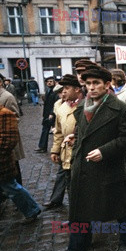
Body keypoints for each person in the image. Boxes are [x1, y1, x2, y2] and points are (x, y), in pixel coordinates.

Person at [52, 67, 126, 251]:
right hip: (83, 167)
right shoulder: (82, 107)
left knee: (120, 209)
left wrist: (104, 151)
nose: (91, 87)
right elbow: (83, 131)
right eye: (88, 84)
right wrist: (74, 137)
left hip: (108, 168)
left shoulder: (121, 109)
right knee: (80, 211)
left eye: (96, 83)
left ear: (107, 85)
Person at [43, 75, 83, 209]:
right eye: (62, 89)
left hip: (81, 152)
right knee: (69, 183)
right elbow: (58, 132)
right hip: (66, 152)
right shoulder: (61, 107)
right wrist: (55, 150)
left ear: (77, 89)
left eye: (67, 88)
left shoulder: (85, 105)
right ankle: (75, 216)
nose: (63, 92)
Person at [0, 104, 41, 223]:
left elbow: (9, 141)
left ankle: (32, 210)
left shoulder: (5, 113)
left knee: (11, 188)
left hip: (2, 163)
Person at [0, 73, 25, 186]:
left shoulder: (7, 97)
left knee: (13, 168)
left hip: (8, 138)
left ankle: (21, 196)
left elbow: (15, 117)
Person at [34, 76, 58, 153]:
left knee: (57, 131)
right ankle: (42, 147)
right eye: (48, 82)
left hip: (53, 114)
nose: (49, 83)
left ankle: (57, 148)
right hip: (47, 114)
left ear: (54, 82)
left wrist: (52, 113)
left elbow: (56, 104)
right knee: (45, 130)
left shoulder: (56, 91)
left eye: (51, 81)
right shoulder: (48, 90)